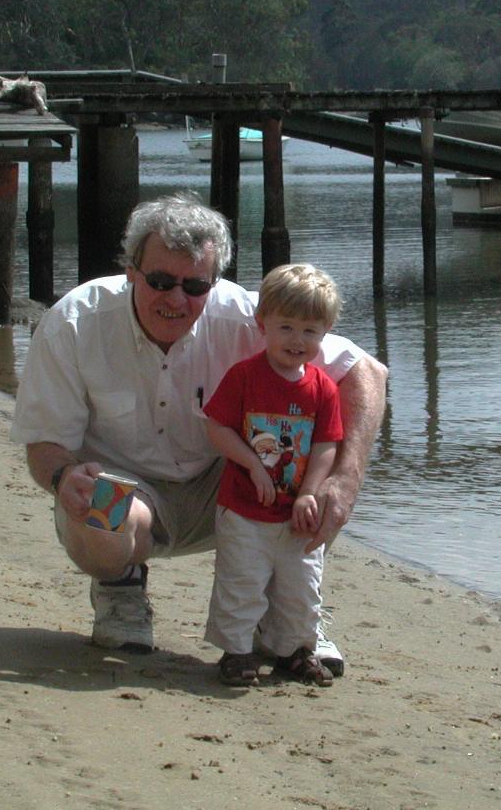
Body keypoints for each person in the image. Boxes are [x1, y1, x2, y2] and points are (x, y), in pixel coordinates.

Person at [10, 192, 387, 675]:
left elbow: (367, 373)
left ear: (215, 281)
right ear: (131, 270)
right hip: (130, 490)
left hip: (232, 484)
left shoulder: (244, 317)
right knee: (97, 518)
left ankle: (289, 619)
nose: (175, 299)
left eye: (194, 286)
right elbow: (42, 443)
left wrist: (346, 478)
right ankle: (120, 588)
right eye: (160, 281)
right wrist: (64, 478)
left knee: (312, 480)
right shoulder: (73, 323)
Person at [202, 263, 343, 687]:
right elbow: (216, 427)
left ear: (325, 333)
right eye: (286, 327)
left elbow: (325, 445)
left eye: (309, 331)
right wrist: (250, 463)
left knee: (301, 589)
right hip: (245, 508)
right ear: (262, 324)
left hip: (296, 516)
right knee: (242, 582)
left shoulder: (322, 388)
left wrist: (309, 494)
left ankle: (294, 650)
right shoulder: (245, 376)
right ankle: (237, 651)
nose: (297, 340)